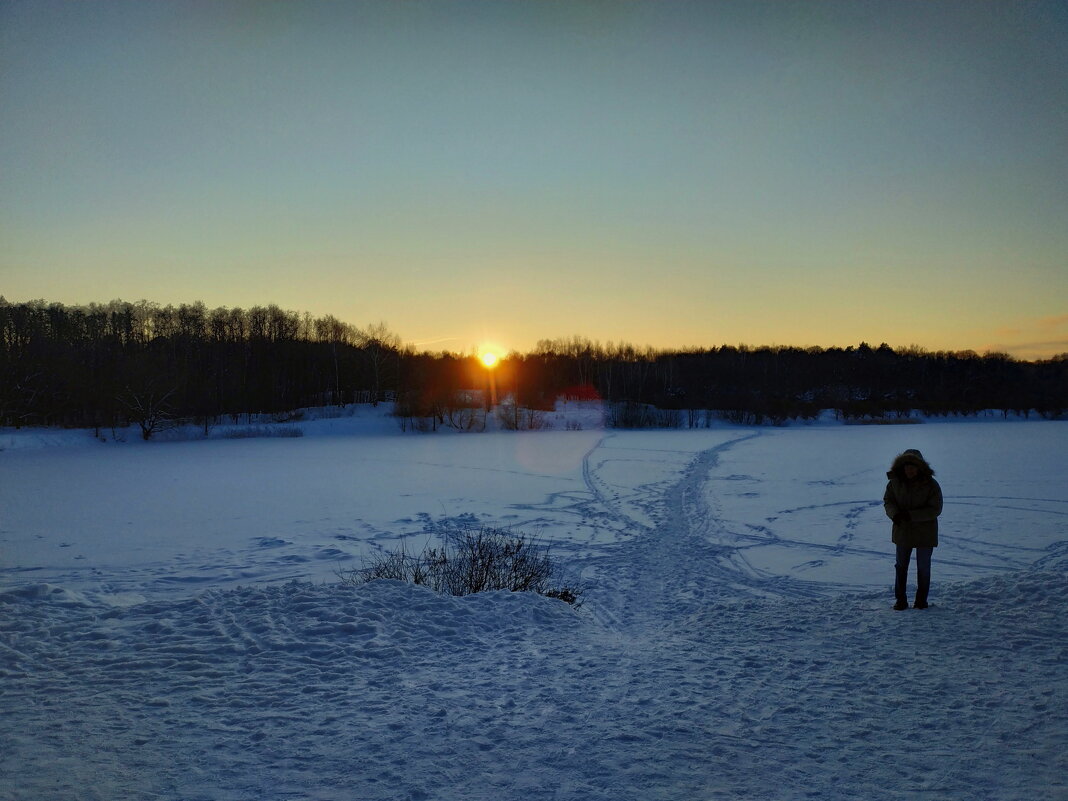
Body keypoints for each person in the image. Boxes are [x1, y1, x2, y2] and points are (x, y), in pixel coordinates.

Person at [883, 449, 943, 610]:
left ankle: (921, 601)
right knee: (901, 566)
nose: (909, 470)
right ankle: (900, 600)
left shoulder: (931, 484)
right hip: (902, 531)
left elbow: (935, 509)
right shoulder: (894, 483)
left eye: (913, 466)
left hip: (926, 532)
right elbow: (888, 501)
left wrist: (911, 515)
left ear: (919, 467)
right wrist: (894, 515)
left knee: (923, 567)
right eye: (906, 466)